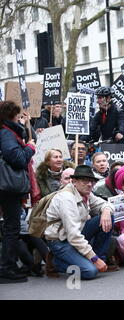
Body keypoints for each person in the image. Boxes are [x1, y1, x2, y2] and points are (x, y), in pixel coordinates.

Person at [44, 165, 115, 280]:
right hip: (60, 241)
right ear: (74, 181)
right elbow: (74, 236)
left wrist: (106, 211)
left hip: (76, 234)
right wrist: (94, 259)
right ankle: (55, 262)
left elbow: (107, 205)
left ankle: (99, 259)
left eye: (92, 181)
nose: (89, 184)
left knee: (108, 217)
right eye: (85, 180)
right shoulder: (66, 199)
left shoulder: (86, 193)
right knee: (90, 271)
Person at [0, 101, 36, 284]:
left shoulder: (8, 132)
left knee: (11, 227)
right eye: (17, 115)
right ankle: (7, 268)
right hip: (8, 187)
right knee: (12, 227)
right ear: (10, 116)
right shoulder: (7, 133)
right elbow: (17, 158)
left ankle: (10, 266)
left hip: (7, 186)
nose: (20, 118)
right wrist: (29, 148)